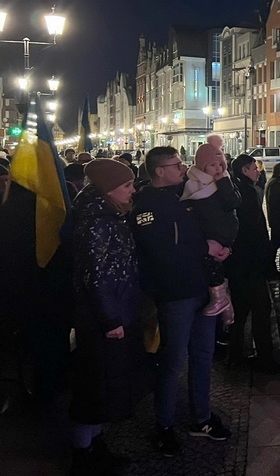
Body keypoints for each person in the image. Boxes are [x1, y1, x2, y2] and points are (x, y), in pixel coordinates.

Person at [131, 146, 231, 457]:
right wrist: (206, 246)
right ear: (159, 171)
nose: (182, 167)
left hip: (202, 287)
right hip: (175, 292)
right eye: (175, 164)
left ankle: (201, 416)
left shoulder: (183, 193)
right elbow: (161, 251)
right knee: (172, 360)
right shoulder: (146, 205)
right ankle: (164, 425)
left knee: (203, 354)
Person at [69, 159, 146, 475]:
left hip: (110, 313)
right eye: (127, 186)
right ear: (108, 190)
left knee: (102, 389)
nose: (132, 191)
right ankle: (83, 453)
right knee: (93, 387)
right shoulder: (98, 223)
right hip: (101, 320)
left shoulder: (109, 216)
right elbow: (98, 276)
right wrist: (111, 320)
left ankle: (95, 444)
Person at [227, 154, 280, 372]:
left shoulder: (242, 190)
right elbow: (253, 232)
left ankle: (237, 353)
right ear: (244, 170)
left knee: (243, 310)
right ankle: (264, 357)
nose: (258, 171)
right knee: (261, 310)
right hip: (249, 264)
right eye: (255, 168)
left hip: (242, 263)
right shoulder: (246, 193)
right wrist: (265, 259)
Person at [180, 143, 238, 323]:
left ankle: (221, 299)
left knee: (215, 267)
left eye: (221, 164)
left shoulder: (224, 181)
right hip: (205, 233)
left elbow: (234, 202)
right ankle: (223, 301)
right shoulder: (190, 182)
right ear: (201, 164)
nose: (218, 168)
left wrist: (223, 182)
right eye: (213, 165)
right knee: (211, 265)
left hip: (222, 230)